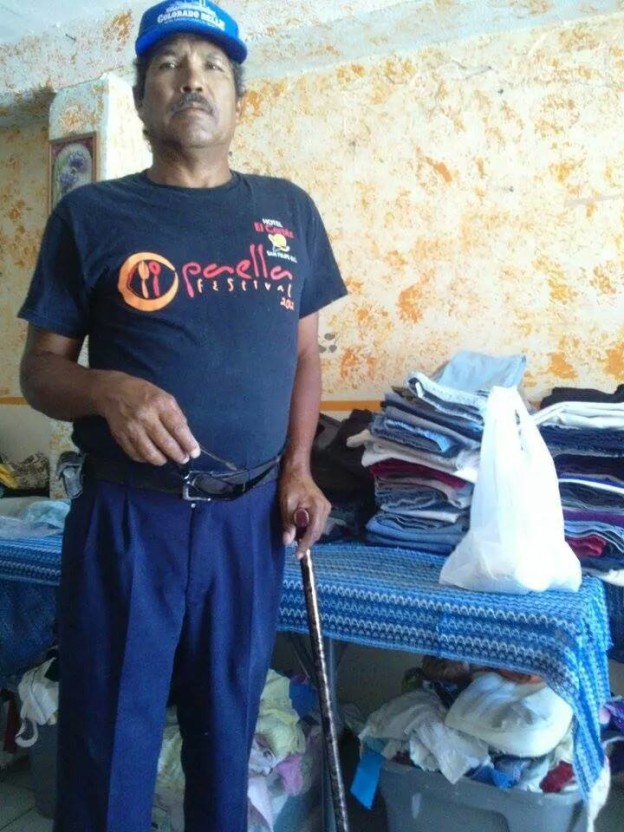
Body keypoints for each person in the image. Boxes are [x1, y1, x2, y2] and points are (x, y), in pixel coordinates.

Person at [17, 1, 347, 830]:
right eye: (168, 65)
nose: (192, 79)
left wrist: (300, 469)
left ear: (238, 97)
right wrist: (106, 389)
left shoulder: (288, 212)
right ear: (140, 100)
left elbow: (305, 357)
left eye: (212, 66)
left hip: (249, 522)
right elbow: (40, 371)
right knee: (108, 742)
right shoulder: (90, 217)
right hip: (134, 517)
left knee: (227, 733)